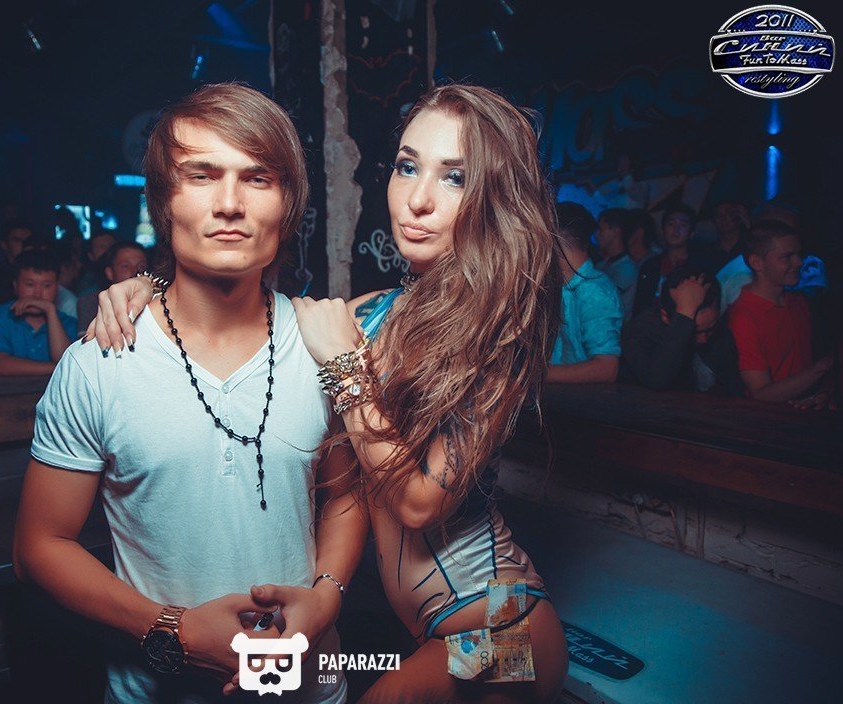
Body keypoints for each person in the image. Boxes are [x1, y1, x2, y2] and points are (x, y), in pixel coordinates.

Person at [91, 84, 569, 703]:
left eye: (455, 178)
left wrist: (346, 365)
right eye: (407, 167)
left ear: (495, 196)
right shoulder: (375, 313)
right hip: (430, 628)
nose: (418, 199)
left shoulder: (497, 330)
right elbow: (258, 311)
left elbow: (419, 503)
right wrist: (151, 291)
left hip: (512, 627)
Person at [13, 84, 363, 704]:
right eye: (201, 176)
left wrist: (326, 599)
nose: (229, 204)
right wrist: (170, 628)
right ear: (164, 201)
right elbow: (39, 546)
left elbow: (344, 495)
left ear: (288, 205)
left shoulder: (324, 344)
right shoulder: (98, 361)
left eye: (257, 179)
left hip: (310, 688)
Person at [727, 220, 833, 406]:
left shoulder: (798, 302)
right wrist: (823, 366)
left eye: (799, 254)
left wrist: (823, 394)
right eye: (787, 257)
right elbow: (761, 395)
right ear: (757, 262)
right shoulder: (744, 317)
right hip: (770, 421)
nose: (799, 262)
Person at [620, 266, 743, 394]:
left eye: (709, 330)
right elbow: (657, 379)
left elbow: (734, 389)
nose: (703, 339)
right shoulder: (640, 331)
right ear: (665, 316)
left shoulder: (719, 332)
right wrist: (684, 316)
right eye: (695, 331)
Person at [548, 202, 623, 383]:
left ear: (554, 238)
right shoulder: (559, 285)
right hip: (560, 395)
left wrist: (537, 376)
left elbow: (607, 368)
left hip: (585, 398)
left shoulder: (595, 291)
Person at [0, 249, 78, 376]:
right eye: (30, 285)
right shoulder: (0, 316)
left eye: (47, 286)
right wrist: (59, 368)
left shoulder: (68, 323)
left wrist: (50, 311)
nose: (38, 294)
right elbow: (1, 365)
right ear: (15, 285)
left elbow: (65, 361)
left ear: (57, 288)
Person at [633, 204, 710, 315]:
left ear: (691, 233)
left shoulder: (699, 268)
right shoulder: (650, 266)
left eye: (683, 225)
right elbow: (640, 305)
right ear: (663, 230)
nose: (675, 230)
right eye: (671, 224)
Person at [76, 242, 148, 327]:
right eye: (126, 266)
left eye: (142, 266)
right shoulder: (92, 303)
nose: (135, 271)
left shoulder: (155, 301)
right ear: (110, 273)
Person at [596, 207, 639, 319]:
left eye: (601, 229)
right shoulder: (601, 265)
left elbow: (605, 302)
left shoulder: (628, 269)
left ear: (616, 231)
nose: (597, 235)